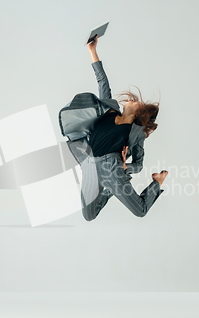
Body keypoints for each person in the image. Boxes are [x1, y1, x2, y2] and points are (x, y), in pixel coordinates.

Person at [58, 35, 168, 221]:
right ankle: (110, 190)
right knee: (89, 215)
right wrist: (92, 51)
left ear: (138, 113)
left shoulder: (135, 133)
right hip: (90, 165)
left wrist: (126, 168)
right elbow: (102, 82)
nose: (132, 100)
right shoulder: (108, 111)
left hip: (112, 168)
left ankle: (157, 182)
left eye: (137, 103)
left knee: (140, 210)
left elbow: (139, 164)